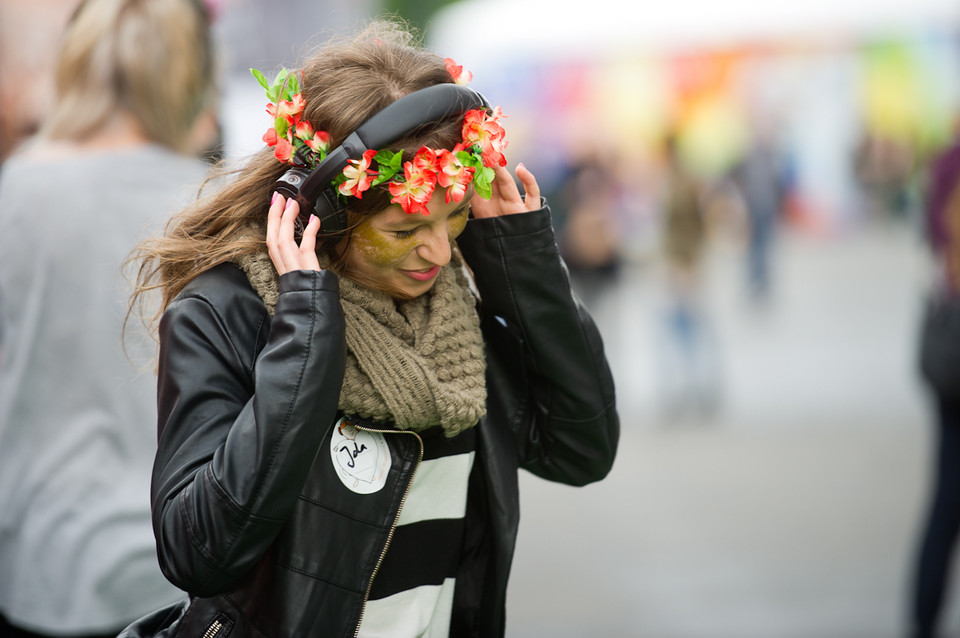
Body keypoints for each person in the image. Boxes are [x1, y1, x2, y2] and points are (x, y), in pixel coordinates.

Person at [118, 20, 618, 638]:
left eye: (455, 217)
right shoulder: (227, 313)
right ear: (324, 212)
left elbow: (581, 451)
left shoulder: (461, 311)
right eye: (405, 231)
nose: (437, 253)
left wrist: (522, 265)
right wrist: (304, 337)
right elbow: (200, 551)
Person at [0, 0, 219, 636]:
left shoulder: (16, 193)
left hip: (44, 564)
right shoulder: (212, 204)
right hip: (188, 557)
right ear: (189, 75)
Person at [910, 128, 960, 638]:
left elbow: (933, 236)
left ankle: (923, 617)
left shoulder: (945, 162)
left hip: (951, 341)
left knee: (946, 496)